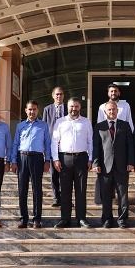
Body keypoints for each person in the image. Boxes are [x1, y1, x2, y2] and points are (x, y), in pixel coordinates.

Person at [51, 97, 93, 229]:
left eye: (76, 106)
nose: (73, 109)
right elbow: (54, 142)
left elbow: (90, 141)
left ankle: (81, 218)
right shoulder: (60, 122)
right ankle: (65, 219)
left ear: (80, 107)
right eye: (71, 106)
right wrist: (55, 159)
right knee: (65, 191)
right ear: (67, 107)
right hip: (65, 159)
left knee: (81, 190)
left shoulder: (86, 122)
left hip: (81, 159)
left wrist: (90, 159)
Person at [93, 101, 135, 229]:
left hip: (122, 166)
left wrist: (131, 162)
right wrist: (96, 163)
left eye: (114, 109)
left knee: (123, 195)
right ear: (105, 111)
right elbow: (96, 146)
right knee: (106, 195)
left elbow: (130, 145)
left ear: (117, 110)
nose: (111, 112)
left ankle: (122, 220)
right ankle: (107, 219)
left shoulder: (125, 125)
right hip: (105, 167)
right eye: (109, 110)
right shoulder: (99, 126)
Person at [11, 100, 51, 229]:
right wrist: (13, 160)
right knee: (22, 190)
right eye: (30, 109)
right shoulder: (20, 126)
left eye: (34, 109)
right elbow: (15, 143)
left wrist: (47, 160)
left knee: (37, 189)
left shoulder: (43, 125)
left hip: (37, 158)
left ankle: (37, 219)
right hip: (22, 158)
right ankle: (24, 218)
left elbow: (47, 144)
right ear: (25, 110)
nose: (32, 112)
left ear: (37, 110)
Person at [42, 86, 67, 208]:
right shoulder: (47, 109)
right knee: (53, 174)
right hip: (52, 144)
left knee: (66, 174)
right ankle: (56, 198)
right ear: (53, 96)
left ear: (63, 96)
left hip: (66, 145)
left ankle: (66, 198)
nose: (59, 96)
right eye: (57, 94)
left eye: (61, 94)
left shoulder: (69, 108)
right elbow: (44, 127)